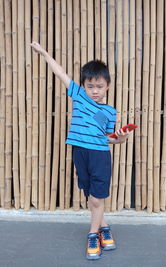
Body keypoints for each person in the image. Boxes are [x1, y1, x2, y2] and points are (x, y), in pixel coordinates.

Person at [31, 41, 130, 260]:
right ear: (84, 86)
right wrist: (44, 52)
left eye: (100, 86)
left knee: (96, 199)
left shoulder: (109, 111)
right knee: (89, 194)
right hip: (79, 152)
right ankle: (105, 228)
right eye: (90, 86)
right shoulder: (78, 96)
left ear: (108, 86)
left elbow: (108, 138)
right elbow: (60, 72)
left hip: (99, 156)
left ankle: (93, 236)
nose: (95, 91)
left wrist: (120, 139)